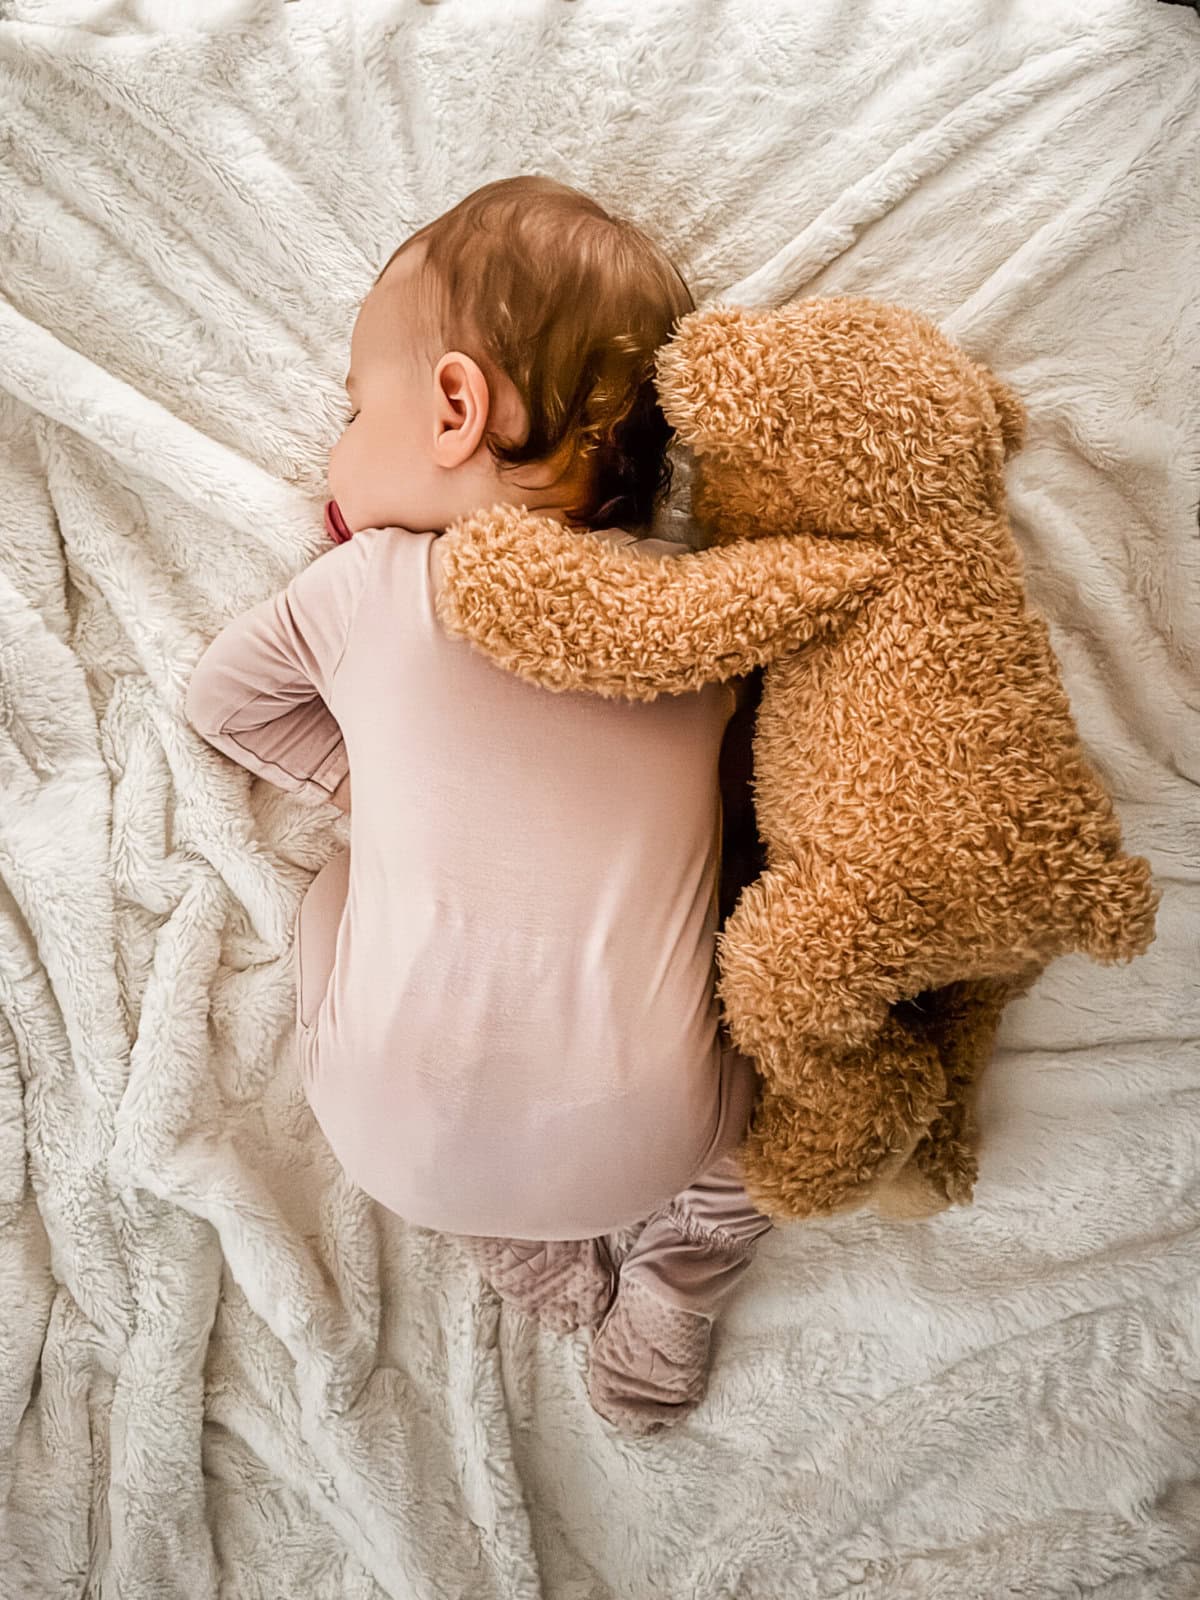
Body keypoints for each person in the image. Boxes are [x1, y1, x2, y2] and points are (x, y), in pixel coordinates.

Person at [185, 175, 774, 1437]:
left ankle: (509, 1248)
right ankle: (675, 1280)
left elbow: (222, 703)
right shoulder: (700, 615)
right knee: (779, 1025)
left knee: (339, 888)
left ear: (453, 406)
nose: (331, 451)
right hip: (657, 1133)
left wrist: (370, 794)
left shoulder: (367, 584)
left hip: (389, 1137)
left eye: (354, 409)